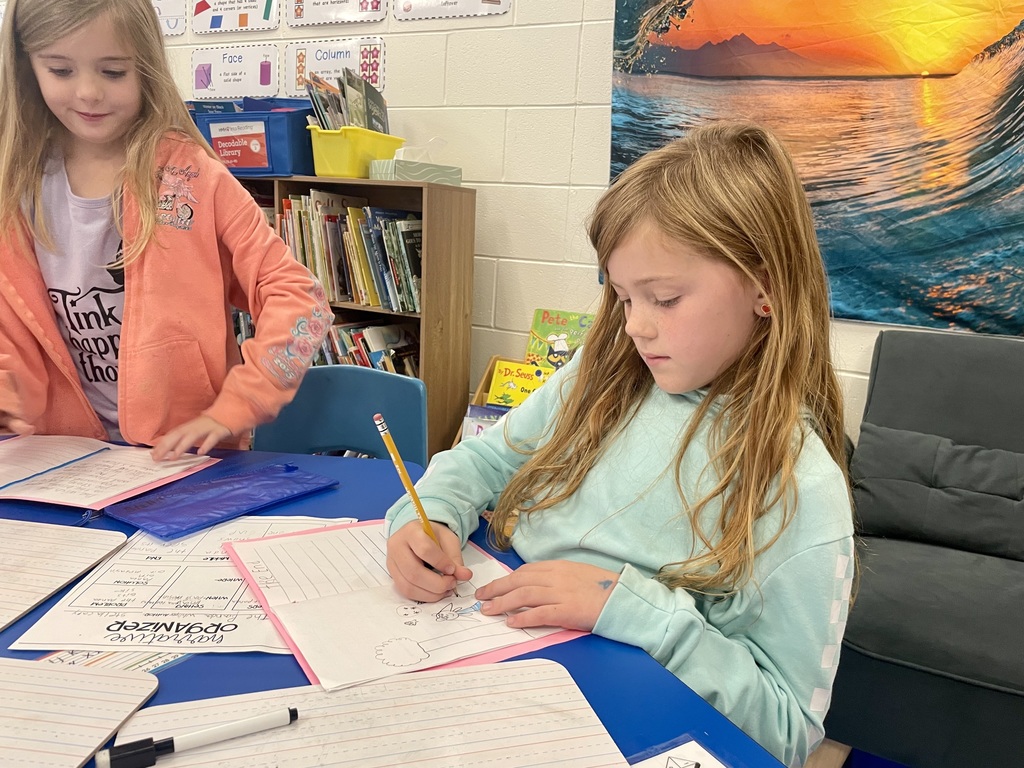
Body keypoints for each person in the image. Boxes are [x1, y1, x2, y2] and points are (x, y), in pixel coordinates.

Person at [385, 121, 855, 766]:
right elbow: (486, 459)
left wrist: (637, 610)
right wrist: (429, 513)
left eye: (663, 298)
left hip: (623, 722)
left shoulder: (802, 487)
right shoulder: (601, 373)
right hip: (479, 658)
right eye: (622, 295)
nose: (634, 326)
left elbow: (786, 732)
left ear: (765, 286)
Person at [0, 0, 331, 459]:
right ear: (25, 68)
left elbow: (300, 297)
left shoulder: (194, 176)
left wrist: (240, 402)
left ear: (147, 68)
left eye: (113, 72)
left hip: (183, 457)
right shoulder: (12, 182)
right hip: (59, 458)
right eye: (60, 70)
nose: (88, 92)